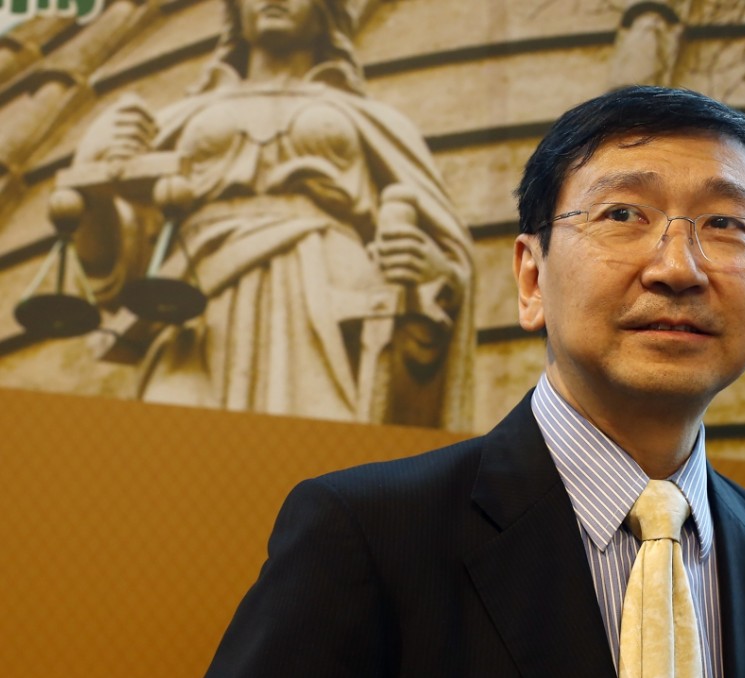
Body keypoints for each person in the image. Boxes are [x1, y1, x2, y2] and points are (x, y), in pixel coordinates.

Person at [204, 85, 745, 678]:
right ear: (530, 278)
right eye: (623, 215)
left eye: (725, 224)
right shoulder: (366, 534)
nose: (677, 268)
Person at [70, 0, 474, 428]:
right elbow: (116, 270)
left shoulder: (372, 120)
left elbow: (444, 253)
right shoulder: (175, 122)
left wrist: (433, 271)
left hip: (328, 303)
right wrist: (91, 178)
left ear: (326, 12)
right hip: (196, 312)